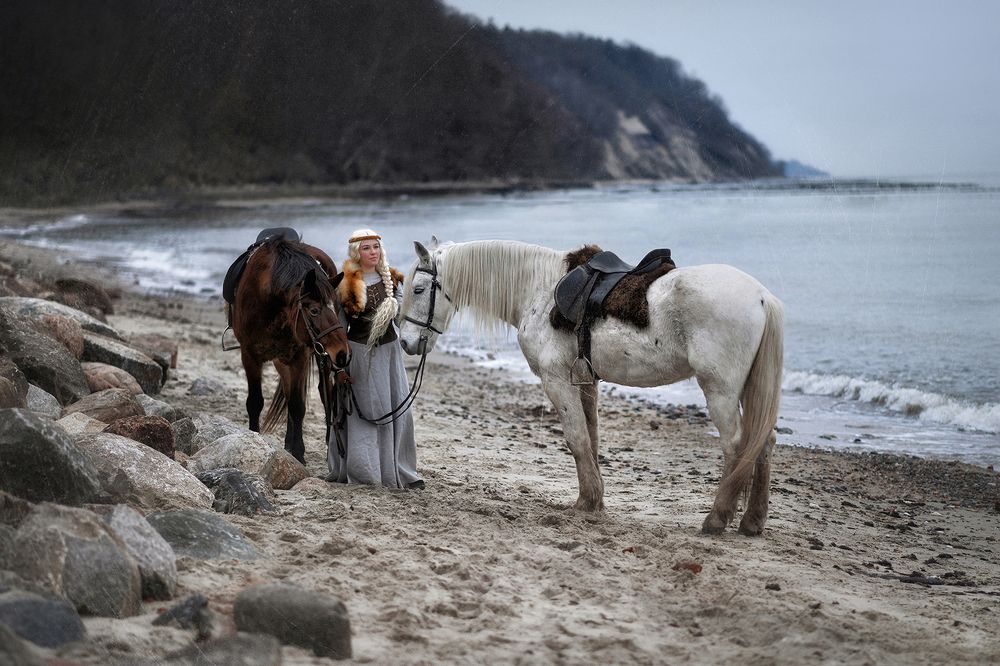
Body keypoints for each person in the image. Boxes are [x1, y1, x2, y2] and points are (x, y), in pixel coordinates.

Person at [327, 228, 424, 489]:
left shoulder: (393, 280)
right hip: (360, 355)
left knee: (395, 408)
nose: (373, 252)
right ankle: (366, 472)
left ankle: (400, 471)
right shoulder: (345, 285)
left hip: (390, 354)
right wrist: (339, 369)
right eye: (367, 248)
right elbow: (339, 329)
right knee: (366, 412)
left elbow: (405, 318)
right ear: (357, 253)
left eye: (376, 247)